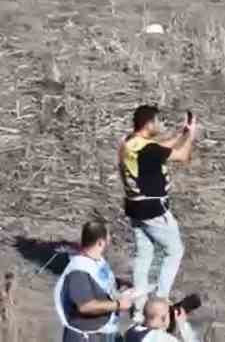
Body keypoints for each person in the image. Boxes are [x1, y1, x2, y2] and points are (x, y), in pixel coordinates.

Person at [120, 105, 195, 313]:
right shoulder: (149, 149)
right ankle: (160, 300)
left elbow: (158, 149)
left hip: (134, 207)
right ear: (149, 123)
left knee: (144, 254)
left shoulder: (130, 143)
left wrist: (182, 133)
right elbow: (182, 156)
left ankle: (140, 305)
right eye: (158, 121)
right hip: (153, 209)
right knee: (174, 251)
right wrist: (191, 137)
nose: (160, 125)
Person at [54, 218, 134, 342]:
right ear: (100, 242)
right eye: (108, 237)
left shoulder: (97, 261)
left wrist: (120, 284)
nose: (110, 240)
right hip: (87, 337)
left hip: (105, 331)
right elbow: (85, 306)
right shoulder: (79, 269)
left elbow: (100, 281)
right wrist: (118, 305)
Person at [124, 297, 199, 342]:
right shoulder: (160, 338)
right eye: (169, 313)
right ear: (163, 318)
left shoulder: (130, 330)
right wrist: (182, 326)